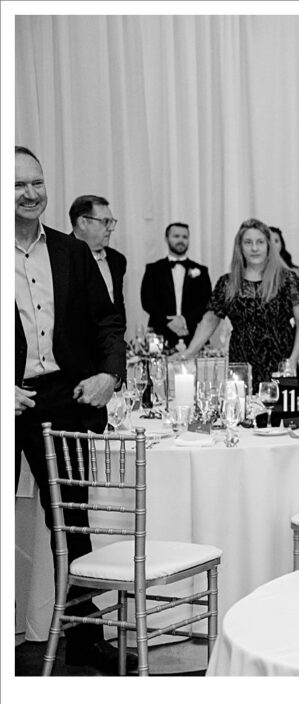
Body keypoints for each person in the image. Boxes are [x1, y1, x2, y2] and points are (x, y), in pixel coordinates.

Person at [14, 146, 130, 673]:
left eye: (37, 182)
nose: (31, 193)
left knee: (73, 518)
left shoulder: (71, 251)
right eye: (18, 185)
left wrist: (108, 374)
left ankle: (85, 635)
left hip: (62, 399)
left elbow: (108, 321)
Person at [179, 218, 299, 385]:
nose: (254, 248)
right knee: (241, 409)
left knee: (280, 411)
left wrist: (292, 360)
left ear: (268, 245)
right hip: (241, 365)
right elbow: (209, 320)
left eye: (260, 242)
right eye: (248, 242)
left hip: (281, 364)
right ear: (240, 247)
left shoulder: (287, 279)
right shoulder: (227, 282)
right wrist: (190, 352)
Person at [140, 222, 213, 349]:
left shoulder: (201, 271)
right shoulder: (153, 269)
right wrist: (169, 322)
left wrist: (184, 320)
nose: (181, 240)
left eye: (185, 237)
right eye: (176, 236)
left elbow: (206, 302)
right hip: (160, 334)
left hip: (194, 334)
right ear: (166, 238)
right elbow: (147, 301)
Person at [69, 195, 126, 324]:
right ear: (83, 222)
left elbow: (118, 305)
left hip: (111, 341)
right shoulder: (60, 258)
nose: (111, 228)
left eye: (112, 222)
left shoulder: (117, 260)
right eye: (106, 222)